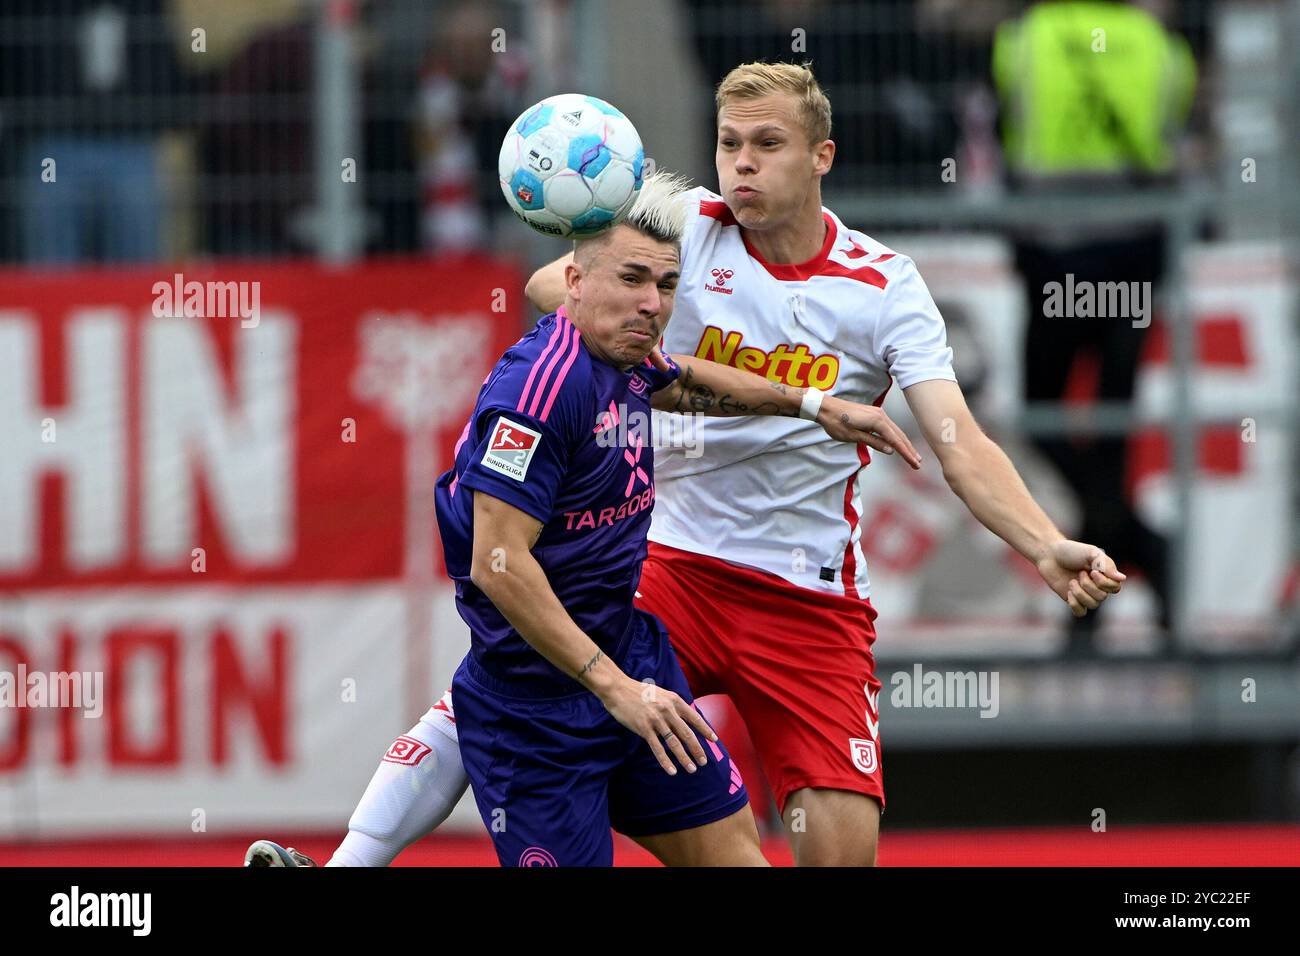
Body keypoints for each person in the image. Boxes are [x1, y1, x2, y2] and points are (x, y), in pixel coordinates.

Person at [249, 61, 1124, 870]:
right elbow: (553, 288)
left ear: (823, 156)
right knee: (511, 683)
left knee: (839, 854)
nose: (741, 166)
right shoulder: (684, 230)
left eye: (767, 146)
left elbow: (958, 440)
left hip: (807, 598)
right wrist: (632, 296)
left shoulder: (882, 285)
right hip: (670, 564)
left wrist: (1045, 543)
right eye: (729, 144)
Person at [247, 169, 922, 867]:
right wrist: (612, 688)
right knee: (472, 699)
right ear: (572, 280)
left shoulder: (626, 354)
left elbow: (686, 379)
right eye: (632, 279)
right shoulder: (537, 392)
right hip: (539, 708)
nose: (651, 304)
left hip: (632, 662)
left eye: (664, 286)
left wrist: (815, 406)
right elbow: (497, 561)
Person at [992, 0, 1196, 653]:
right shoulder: (1162, 48)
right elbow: (1176, 139)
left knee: (1041, 418)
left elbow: (1005, 129)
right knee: (1109, 435)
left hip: (1056, 256)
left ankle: (1101, 593)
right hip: (1133, 258)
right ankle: (1141, 550)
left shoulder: (1024, 38)